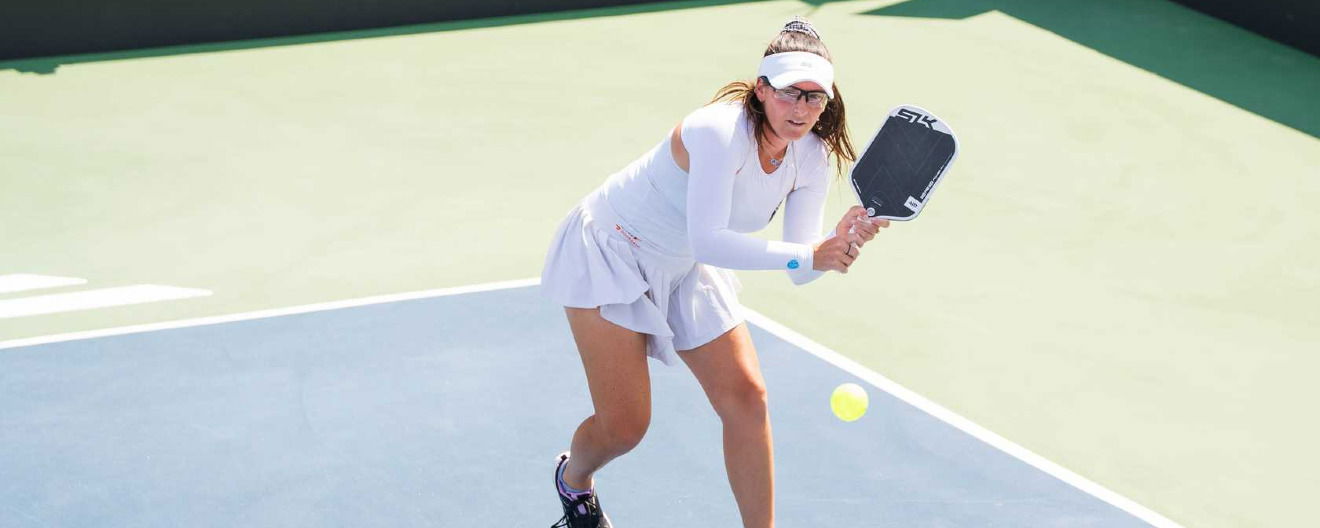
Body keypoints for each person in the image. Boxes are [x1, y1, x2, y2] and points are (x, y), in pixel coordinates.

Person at [540, 16, 888, 528]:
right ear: (762, 89)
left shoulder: (812, 156)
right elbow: (712, 240)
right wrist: (810, 254)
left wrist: (839, 243)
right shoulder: (717, 131)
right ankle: (574, 480)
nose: (801, 109)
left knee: (748, 399)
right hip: (612, 250)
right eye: (790, 93)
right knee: (625, 427)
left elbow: (801, 268)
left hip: (684, 266)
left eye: (815, 98)